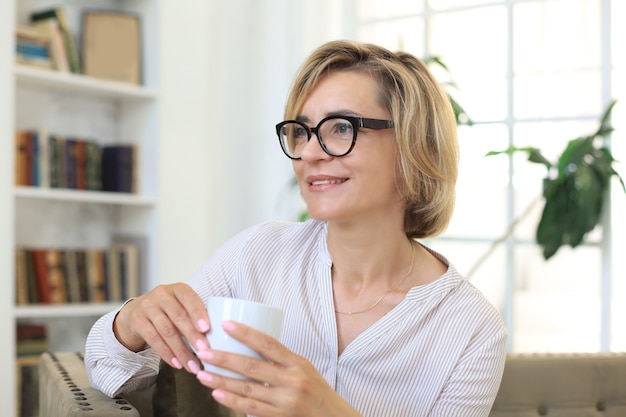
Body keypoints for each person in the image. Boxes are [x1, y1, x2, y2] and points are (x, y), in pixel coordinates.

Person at [85, 40, 507, 417]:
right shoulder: (258, 254)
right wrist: (133, 323)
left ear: (414, 145)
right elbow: (109, 369)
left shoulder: (471, 330)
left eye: (341, 128)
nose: (308, 152)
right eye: (301, 131)